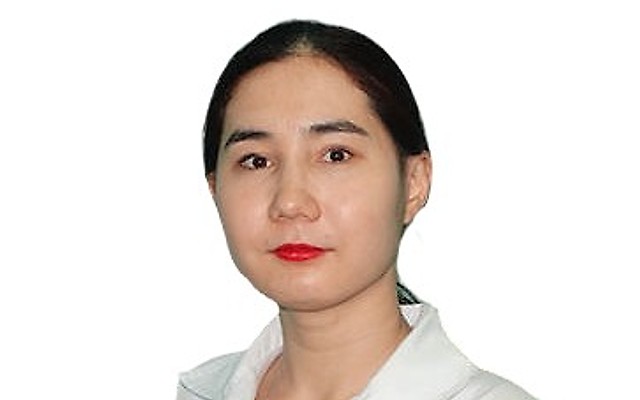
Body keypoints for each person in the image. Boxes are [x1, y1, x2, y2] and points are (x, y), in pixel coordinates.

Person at [177, 20, 535, 400]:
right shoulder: (201, 391)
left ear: (414, 183)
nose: (290, 203)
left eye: (336, 155)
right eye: (256, 161)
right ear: (215, 189)